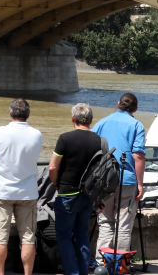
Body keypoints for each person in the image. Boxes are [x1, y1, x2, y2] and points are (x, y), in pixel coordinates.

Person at [0, 98, 42, 275]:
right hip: (28, 192)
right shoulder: (36, 134)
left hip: (1, 192)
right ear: (29, 114)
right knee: (28, 238)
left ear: (10, 114)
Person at [92, 93, 145, 263]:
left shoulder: (101, 123)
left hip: (105, 181)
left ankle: (102, 262)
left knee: (105, 222)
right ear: (135, 109)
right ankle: (120, 264)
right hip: (127, 180)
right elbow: (138, 156)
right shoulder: (137, 125)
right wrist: (140, 184)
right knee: (123, 226)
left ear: (118, 104)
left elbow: (92, 150)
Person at [48, 103, 102, 275]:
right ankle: (83, 271)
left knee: (64, 236)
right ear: (91, 120)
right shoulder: (99, 141)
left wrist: (56, 184)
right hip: (87, 195)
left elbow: (52, 167)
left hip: (67, 193)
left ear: (73, 118)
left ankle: (72, 273)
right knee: (82, 236)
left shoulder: (65, 138)